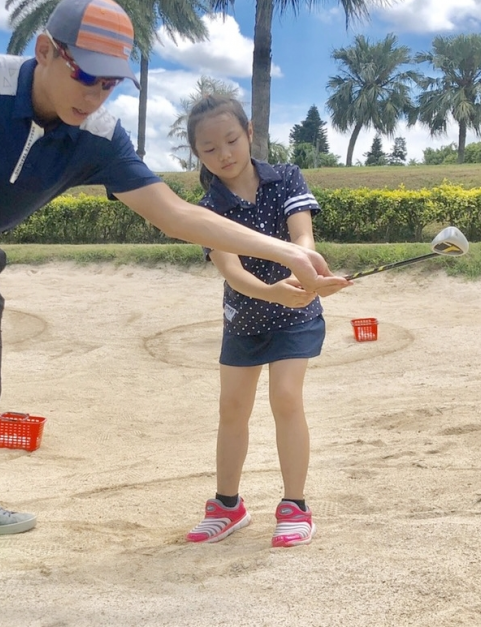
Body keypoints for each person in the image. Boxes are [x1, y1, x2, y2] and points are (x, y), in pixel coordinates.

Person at [0, 0, 345, 618]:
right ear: (44, 51)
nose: (95, 95)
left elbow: (176, 214)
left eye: (110, 82)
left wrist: (289, 252)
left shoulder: (98, 136)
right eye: (85, 75)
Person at [181, 95, 349, 548]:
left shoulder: (286, 177)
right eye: (209, 148)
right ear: (197, 154)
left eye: (231, 140)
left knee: (286, 398)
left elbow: (301, 234)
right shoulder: (205, 209)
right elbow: (232, 271)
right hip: (245, 318)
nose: (225, 154)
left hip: (296, 315)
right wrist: (271, 290)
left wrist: (309, 270)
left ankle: (295, 506)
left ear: (250, 133)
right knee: (231, 409)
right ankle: (227, 506)